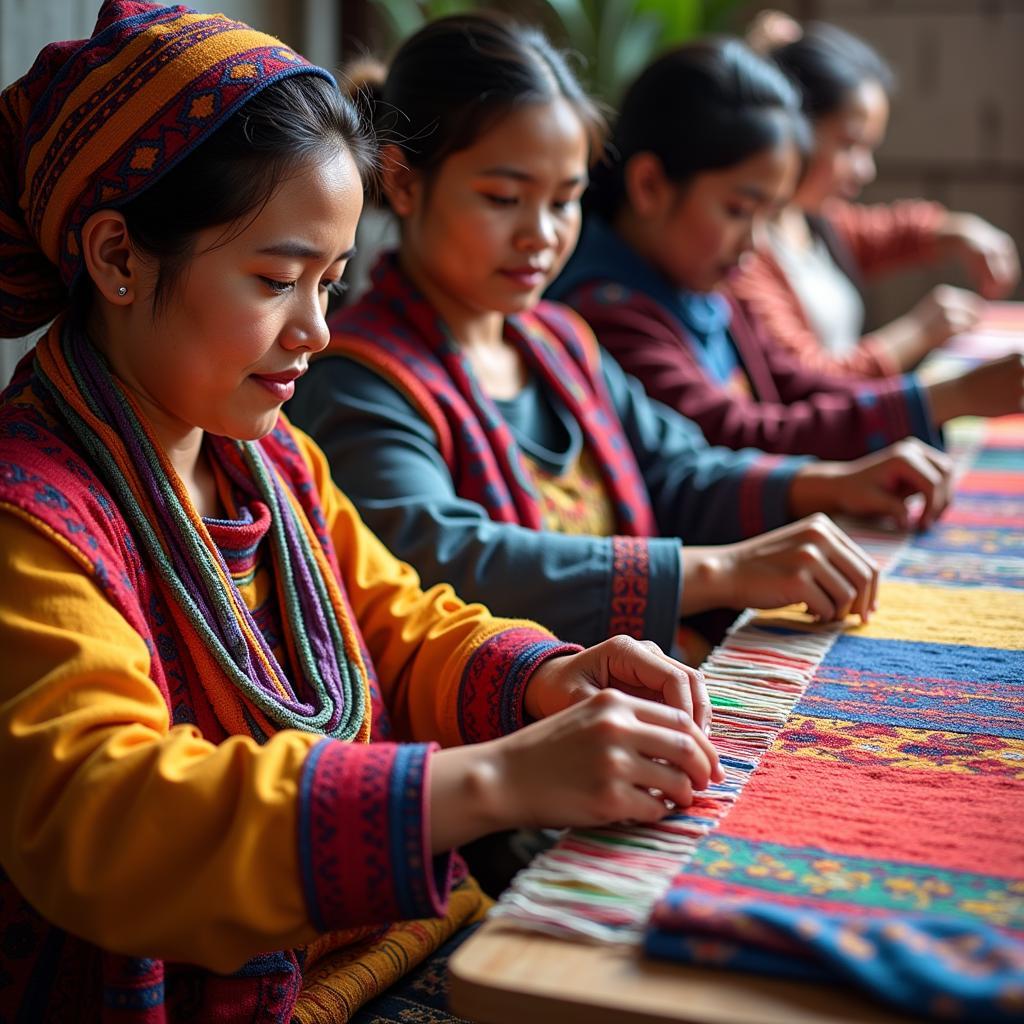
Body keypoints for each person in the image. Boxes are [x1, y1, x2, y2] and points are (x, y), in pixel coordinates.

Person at [0, 4, 726, 1021]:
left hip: (390, 952)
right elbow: (107, 809)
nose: (315, 330)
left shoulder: (267, 457)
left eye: (332, 281)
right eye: (276, 279)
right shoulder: (32, 512)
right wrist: (494, 780)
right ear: (118, 257)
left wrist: (549, 678)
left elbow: (392, 620)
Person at [290, 14, 955, 672]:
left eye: (563, 200)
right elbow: (454, 560)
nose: (541, 234)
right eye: (503, 198)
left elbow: (676, 469)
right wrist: (725, 570)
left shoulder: (556, 340)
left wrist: (834, 483)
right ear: (405, 181)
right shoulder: (358, 378)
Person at [550, 37, 1024, 461]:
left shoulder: (704, 281)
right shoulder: (605, 313)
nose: (755, 243)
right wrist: (936, 401)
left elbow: (792, 384)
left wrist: (929, 400)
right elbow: (730, 435)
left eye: (769, 215)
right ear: (650, 186)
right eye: (738, 210)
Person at [730, 17, 1021, 379]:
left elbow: (879, 233)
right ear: (792, 128)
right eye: (849, 145)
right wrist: (919, 332)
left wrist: (958, 230)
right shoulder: (742, 251)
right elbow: (806, 382)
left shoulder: (808, 220)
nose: (864, 170)